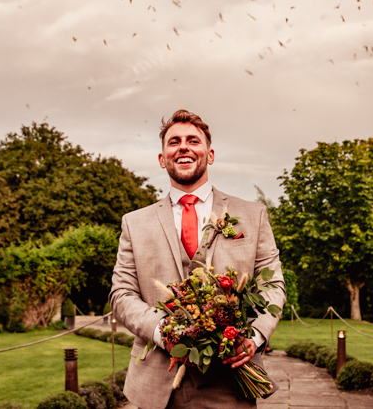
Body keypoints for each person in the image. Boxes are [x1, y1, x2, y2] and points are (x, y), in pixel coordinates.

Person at [110, 109, 286, 409]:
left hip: (230, 382)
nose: (183, 147)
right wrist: (165, 332)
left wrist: (253, 337)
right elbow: (121, 293)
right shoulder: (134, 223)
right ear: (162, 158)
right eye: (174, 141)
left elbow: (273, 286)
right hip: (156, 388)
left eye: (193, 140)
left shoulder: (253, 215)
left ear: (210, 154)